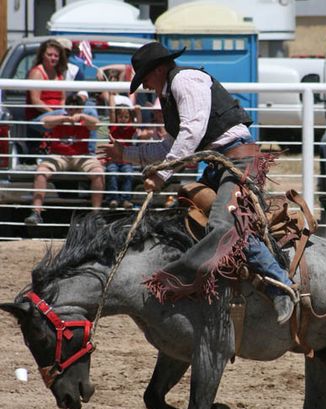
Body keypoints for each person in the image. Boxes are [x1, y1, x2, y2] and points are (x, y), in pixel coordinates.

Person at [99, 41, 295, 324]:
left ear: (159, 69)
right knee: (185, 214)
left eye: (146, 79)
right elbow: (170, 146)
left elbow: (191, 133)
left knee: (224, 223)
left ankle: (280, 286)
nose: (145, 87)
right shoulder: (171, 95)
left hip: (239, 162)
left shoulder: (185, 81)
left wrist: (162, 174)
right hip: (220, 166)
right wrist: (125, 154)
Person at [25, 94, 104, 225]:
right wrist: (64, 118)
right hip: (58, 155)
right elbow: (45, 122)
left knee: (99, 172)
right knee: (41, 172)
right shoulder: (59, 117)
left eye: (76, 109)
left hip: (82, 155)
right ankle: (36, 212)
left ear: (81, 109)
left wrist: (82, 117)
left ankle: (96, 214)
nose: (73, 112)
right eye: (71, 109)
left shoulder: (86, 119)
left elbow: (97, 124)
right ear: (66, 108)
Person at [105, 95, 141, 208]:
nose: (123, 119)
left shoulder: (129, 128)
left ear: (129, 118)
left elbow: (138, 124)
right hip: (113, 160)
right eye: (120, 116)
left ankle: (126, 199)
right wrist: (110, 93)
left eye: (126, 117)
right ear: (116, 117)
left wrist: (138, 112)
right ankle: (114, 198)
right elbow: (111, 112)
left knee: (128, 174)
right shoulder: (113, 127)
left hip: (126, 160)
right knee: (111, 173)